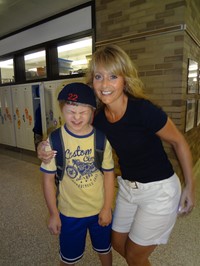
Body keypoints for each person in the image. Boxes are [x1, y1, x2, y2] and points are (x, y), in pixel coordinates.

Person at [38, 45, 195, 266]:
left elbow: (178, 141)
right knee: (116, 242)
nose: (105, 84)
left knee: (135, 255)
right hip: (128, 189)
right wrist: (43, 148)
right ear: (92, 82)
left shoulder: (143, 111)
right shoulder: (99, 118)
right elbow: (73, 127)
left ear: (125, 80)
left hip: (159, 190)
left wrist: (190, 184)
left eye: (113, 76)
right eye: (99, 77)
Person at [40, 82, 115, 266]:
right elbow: (48, 180)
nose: (76, 117)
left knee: (104, 249)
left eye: (83, 112)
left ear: (92, 111)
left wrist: (107, 208)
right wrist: (53, 213)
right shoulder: (54, 140)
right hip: (69, 213)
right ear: (61, 110)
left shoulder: (100, 138)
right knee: (68, 257)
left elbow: (108, 175)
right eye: (70, 112)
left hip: (99, 210)